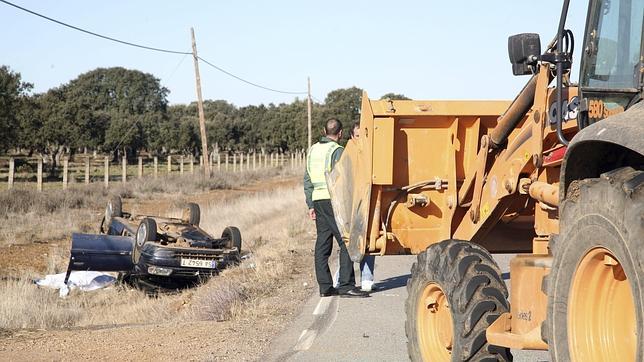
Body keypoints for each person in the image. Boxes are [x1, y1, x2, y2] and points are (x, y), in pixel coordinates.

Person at [304, 118, 369, 298]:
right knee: (345, 241)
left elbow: (307, 179)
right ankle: (346, 286)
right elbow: (345, 178)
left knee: (323, 243)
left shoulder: (313, 151)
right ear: (340, 133)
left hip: (318, 200)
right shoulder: (338, 150)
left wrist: (310, 204)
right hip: (334, 201)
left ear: (324, 130)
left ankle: (325, 287)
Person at [332, 122, 377, 292]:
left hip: (368, 200)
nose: (360, 140)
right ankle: (340, 277)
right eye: (357, 136)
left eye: (363, 136)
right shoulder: (347, 154)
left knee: (369, 239)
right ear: (351, 136)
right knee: (350, 242)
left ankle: (367, 277)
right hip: (351, 204)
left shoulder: (371, 152)